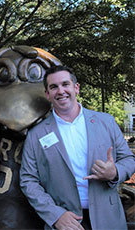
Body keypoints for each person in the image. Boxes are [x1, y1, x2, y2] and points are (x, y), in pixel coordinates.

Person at [20, 65, 135, 230]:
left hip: (108, 219)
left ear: (76, 88)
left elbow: (129, 159)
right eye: (53, 87)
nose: (60, 91)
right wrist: (55, 214)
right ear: (47, 94)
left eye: (65, 84)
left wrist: (114, 172)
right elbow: (28, 180)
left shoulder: (106, 122)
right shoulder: (36, 134)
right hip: (65, 222)